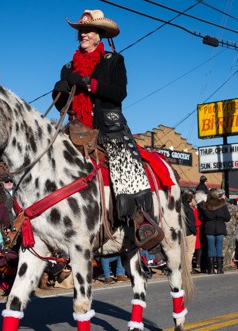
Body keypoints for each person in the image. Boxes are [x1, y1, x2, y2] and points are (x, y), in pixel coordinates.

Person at [53, 9, 152, 222]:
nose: (83, 35)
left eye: (87, 30)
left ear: (98, 34)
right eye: (80, 31)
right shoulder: (68, 67)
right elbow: (61, 106)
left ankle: (138, 221)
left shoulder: (113, 60)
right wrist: (59, 90)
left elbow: (119, 93)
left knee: (124, 163)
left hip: (107, 127)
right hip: (76, 128)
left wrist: (89, 83)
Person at [201, 189, 231, 274]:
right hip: (220, 227)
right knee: (219, 247)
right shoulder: (222, 205)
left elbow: (202, 218)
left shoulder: (206, 205)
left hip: (209, 228)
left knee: (210, 248)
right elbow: (227, 218)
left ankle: (210, 269)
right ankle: (219, 268)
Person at [181, 190, 197, 274]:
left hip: (182, 232)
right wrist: (194, 231)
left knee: (184, 251)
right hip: (189, 232)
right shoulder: (188, 209)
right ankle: (188, 268)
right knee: (190, 251)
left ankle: (184, 267)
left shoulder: (180, 207)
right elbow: (191, 222)